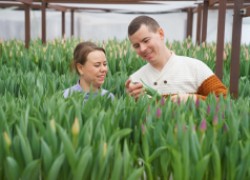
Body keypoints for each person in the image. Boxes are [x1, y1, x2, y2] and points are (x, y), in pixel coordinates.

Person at [125, 15, 227, 102]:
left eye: (146, 40)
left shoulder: (195, 68)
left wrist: (192, 99)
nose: (142, 49)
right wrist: (132, 100)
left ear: (161, 34)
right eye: (136, 46)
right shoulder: (136, 80)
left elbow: (225, 100)